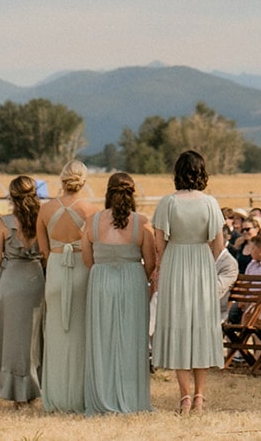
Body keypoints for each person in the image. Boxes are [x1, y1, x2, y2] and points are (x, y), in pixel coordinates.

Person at [152, 149, 223, 414]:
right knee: (201, 327)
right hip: (202, 263)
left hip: (175, 263)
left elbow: (160, 244)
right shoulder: (210, 203)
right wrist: (204, 260)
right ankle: (200, 396)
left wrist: (166, 263)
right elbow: (218, 244)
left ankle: (184, 396)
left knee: (180, 326)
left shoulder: (168, 203)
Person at [82, 172, 157, 415]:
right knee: (131, 340)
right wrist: (137, 277)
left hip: (101, 280)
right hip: (132, 281)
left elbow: (87, 259)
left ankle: (103, 395)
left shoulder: (92, 221)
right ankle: (131, 398)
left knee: (102, 339)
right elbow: (151, 262)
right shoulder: (142, 222)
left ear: (108, 192)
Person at [37, 160, 98, 413]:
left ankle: (55, 397)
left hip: (55, 269)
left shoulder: (45, 210)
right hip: (81, 269)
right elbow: (93, 248)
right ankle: (79, 397)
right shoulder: (90, 210)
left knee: (56, 334)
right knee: (80, 334)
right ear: (82, 181)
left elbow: (43, 250)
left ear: (62, 180)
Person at [0, 174, 45, 403]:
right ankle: (33, 386)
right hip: (35, 279)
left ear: (12, 197)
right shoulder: (42, 221)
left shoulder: (4, 223)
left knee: (10, 336)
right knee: (33, 335)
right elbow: (46, 253)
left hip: (11, 279)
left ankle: (13, 390)